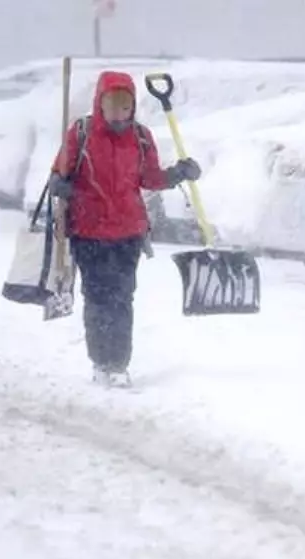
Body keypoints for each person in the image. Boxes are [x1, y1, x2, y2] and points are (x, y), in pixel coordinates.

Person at [49, 70, 201, 388]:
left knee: (122, 298)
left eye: (125, 105)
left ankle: (118, 363)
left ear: (132, 106)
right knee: (96, 297)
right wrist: (61, 184)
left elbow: (151, 179)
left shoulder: (142, 137)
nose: (119, 112)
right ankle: (99, 361)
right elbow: (57, 173)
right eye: (112, 103)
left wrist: (179, 173)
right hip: (88, 231)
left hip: (128, 234)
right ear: (100, 103)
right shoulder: (82, 133)